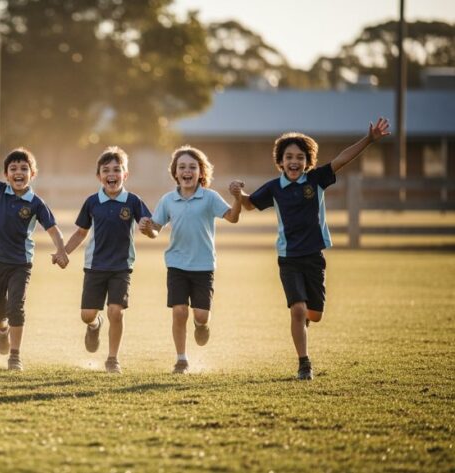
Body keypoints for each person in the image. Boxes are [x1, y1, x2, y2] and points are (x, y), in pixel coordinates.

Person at [230, 118, 391, 380]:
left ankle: (303, 320)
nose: (294, 161)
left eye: (300, 157)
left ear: (308, 161)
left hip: (314, 257)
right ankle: (304, 363)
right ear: (280, 162)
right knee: (298, 310)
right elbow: (249, 205)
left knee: (313, 315)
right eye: (289, 156)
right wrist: (239, 194)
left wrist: (369, 140)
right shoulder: (274, 187)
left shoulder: (316, 180)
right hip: (288, 258)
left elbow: (342, 159)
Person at [0, 147, 68, 371]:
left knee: (16, 307)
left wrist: (61, 250)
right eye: (13, 168)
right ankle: (2, 329)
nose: (19, 172)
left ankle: (15, 356)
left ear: (32, 174)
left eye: (24, 168)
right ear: (6, 174)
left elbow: (54, 229)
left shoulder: (36, 202)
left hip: (21, 263)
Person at [138, 146, 241, 374]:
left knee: (201, 315)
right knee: (179, 311)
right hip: (176, 264)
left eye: (192, 167)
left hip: (204, 266)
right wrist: (147, 229)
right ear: (175, 172)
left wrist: (238, 199)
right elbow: (155, 229)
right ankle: (181, 359)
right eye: (182, 167)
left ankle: (200, 325)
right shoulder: (168, 200)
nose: (187, 171)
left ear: (201, 173)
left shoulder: (210, 197)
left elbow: (232, 218)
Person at [64, 147, 151, 374]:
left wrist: (148, 228)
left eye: (116, 169)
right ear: (98, 176)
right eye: (106, 170)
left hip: (121, 267)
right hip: (95, 266)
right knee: (87, 315)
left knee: (116, 311)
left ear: (125, 174)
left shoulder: (133, 201)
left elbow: (150, 228)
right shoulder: (92, 202)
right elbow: (81, 233)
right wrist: (64, 252)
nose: (111, 174)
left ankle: (112, 359)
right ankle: (94, 325)